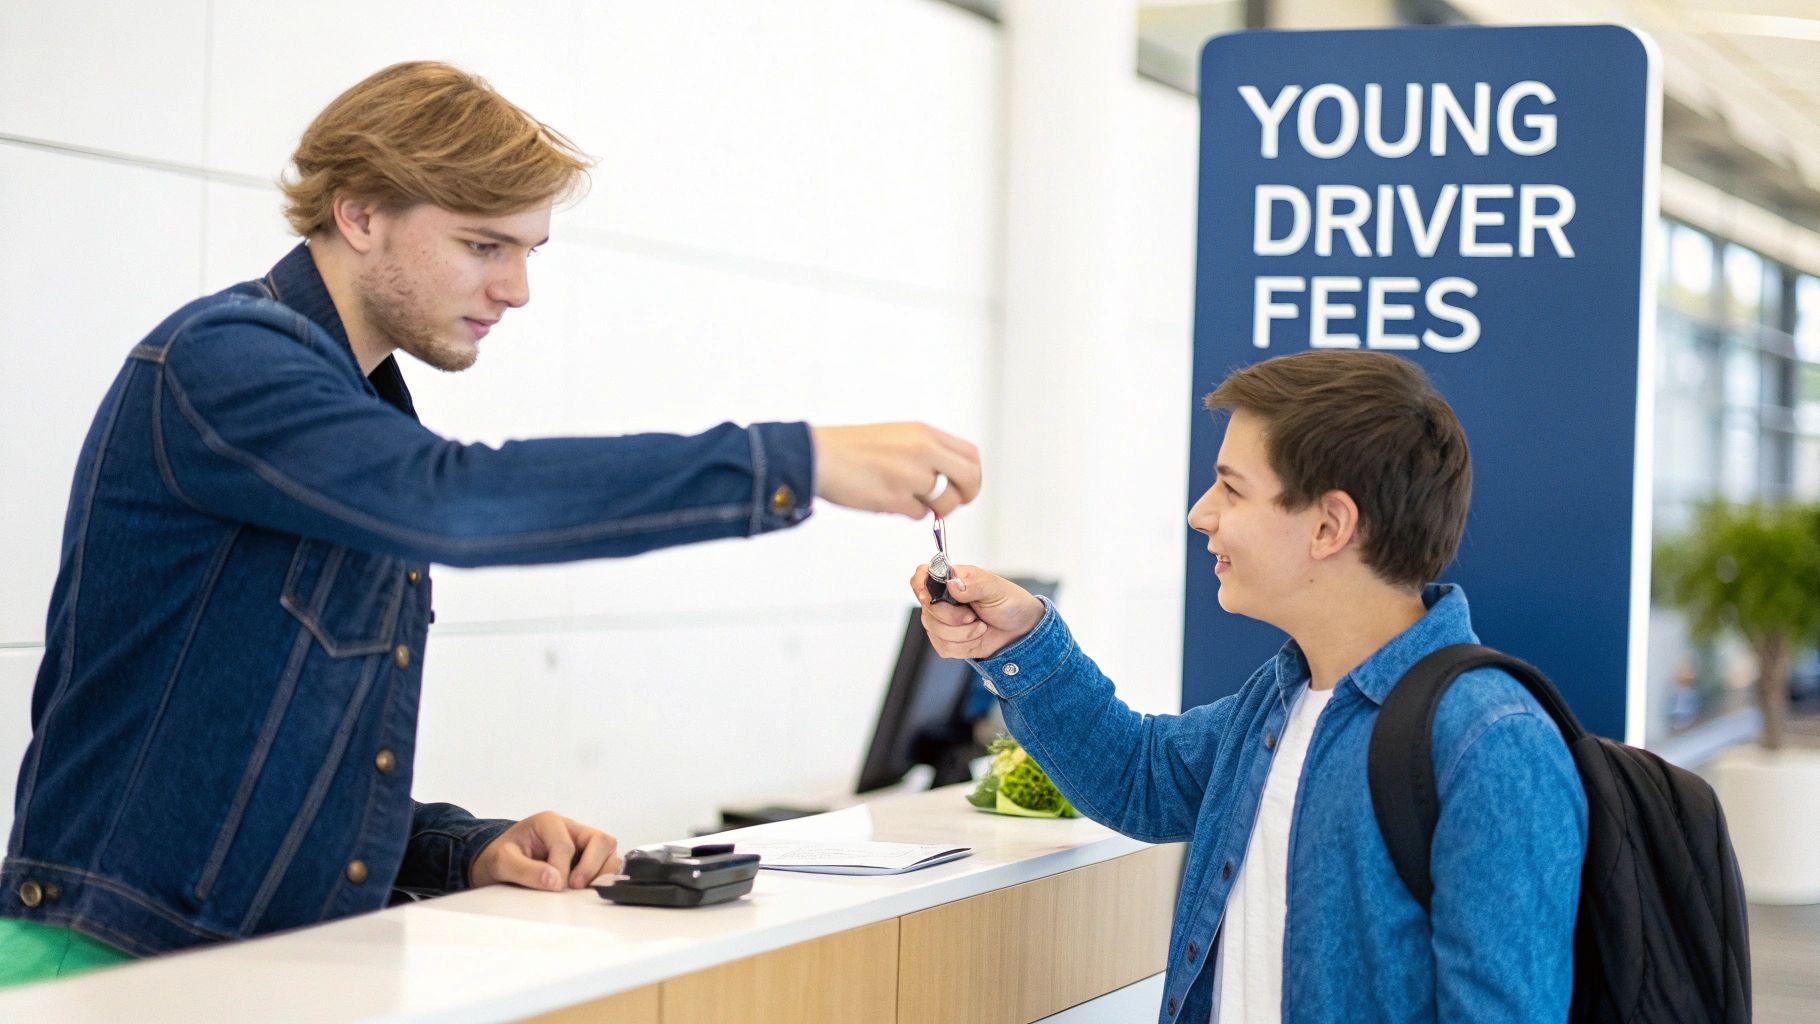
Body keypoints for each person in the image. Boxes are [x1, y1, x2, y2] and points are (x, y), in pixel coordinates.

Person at [0, 61, 981, 983]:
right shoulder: (225, 362)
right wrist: (795, 458)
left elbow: (263, 760)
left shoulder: (359, 410)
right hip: (115, 959)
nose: (514, 289)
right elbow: (452, 500)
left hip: (252, 963)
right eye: (483, 245)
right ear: (360, 213)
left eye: (527, 251)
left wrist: (461, 846)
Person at [912, 351, 1585, 1024]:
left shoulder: (1491, 744)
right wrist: (1018, 639)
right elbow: (1140, 775)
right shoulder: (1280, 700)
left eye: (1231, 490)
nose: (1200, 515)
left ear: (1329, 526)